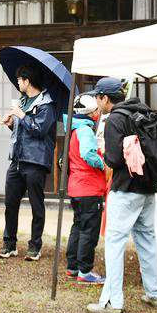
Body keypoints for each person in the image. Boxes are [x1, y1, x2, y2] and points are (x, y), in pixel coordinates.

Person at [86, 77, 157, 313]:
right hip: (149, 187)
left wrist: (105, 152)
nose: (97, 102)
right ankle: (154, 293)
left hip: (126, 187)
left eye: (98, 97)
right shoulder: (143, 112)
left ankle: (112, 301)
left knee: (114, 241)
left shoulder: (115, 120)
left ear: (105, 98)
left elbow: (114, 160)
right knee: (147, 239)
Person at [0, 66, 56, 261]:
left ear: (27, 81)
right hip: (17, 159)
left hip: (36, 160)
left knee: (36, 205)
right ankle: (9, 243)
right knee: (10, 203)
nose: (18, 83)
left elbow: (39, 130)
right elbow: (22, 129)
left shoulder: (47, 105)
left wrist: (22, 116)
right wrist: (11, 123)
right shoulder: (22, 101)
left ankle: (35, 246)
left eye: (19, 80)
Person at [64, 93, 105, 285]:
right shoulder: (86, 131)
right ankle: (85, 270)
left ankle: (72, 266)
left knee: (78, 226)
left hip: (76, 187)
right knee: (89, 230)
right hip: (89, 188)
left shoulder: (73, 129)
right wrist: (103, 163)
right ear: (92, 113)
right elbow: (88, 153)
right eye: (96, 109)